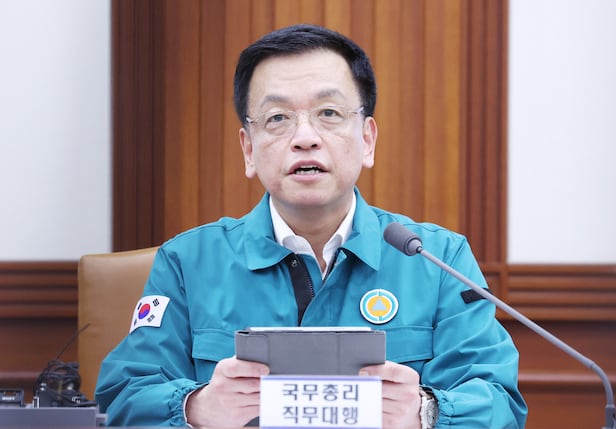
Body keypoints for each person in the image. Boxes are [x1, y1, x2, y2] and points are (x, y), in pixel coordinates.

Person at [95, 24, 527, 428]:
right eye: (277, 118)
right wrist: (197, 407)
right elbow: (123, 398)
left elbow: (499, 403)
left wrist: (424, 412)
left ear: (367, 139)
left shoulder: (437, 259)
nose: (305, 137)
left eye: (329, 113)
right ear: (248, 149)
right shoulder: (188, 262)